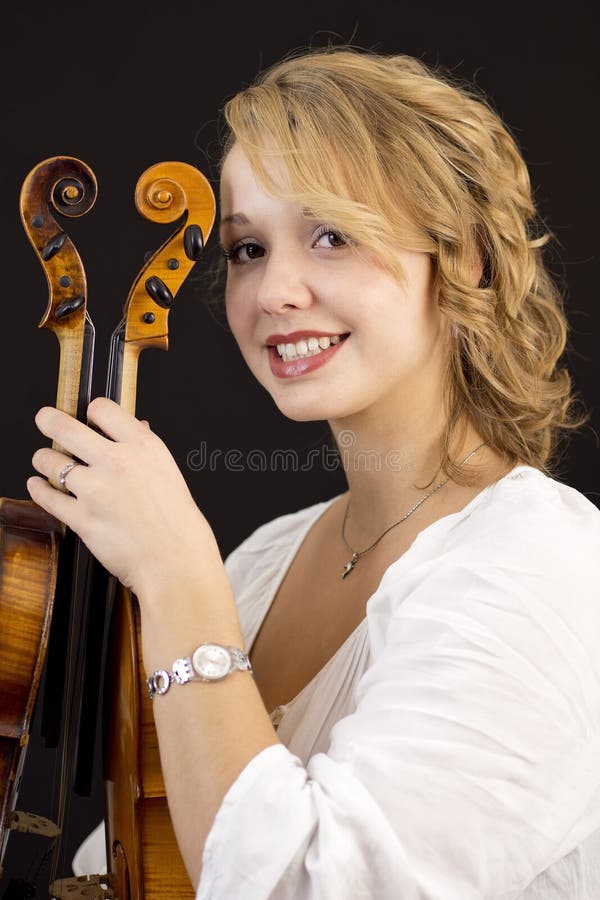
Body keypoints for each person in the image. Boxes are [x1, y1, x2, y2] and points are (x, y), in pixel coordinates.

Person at [28, 46, 600, 899]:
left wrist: (178, 579)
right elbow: (146, 863)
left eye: (330, 235)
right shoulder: (262, 564)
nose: (274, 292)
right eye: (249, 248)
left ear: (467, 258)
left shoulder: (540, 569)